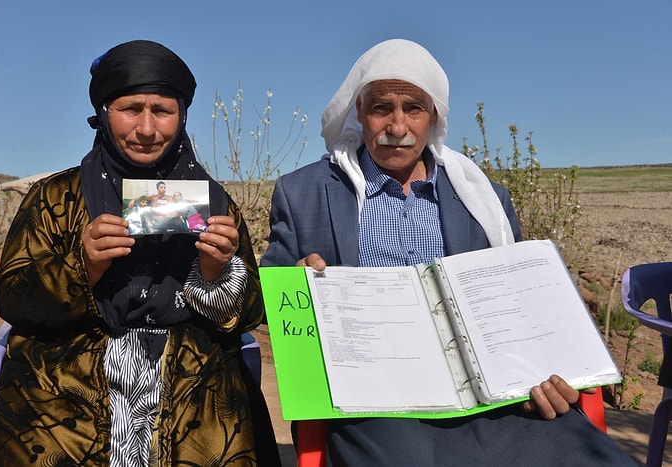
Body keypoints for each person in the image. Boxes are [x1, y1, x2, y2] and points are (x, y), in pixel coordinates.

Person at [260, 38, 635, 466]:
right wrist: (300, 281)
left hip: (491, 400)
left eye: (414, 109)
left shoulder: (483, 199)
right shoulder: (304, 192)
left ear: (434, 115)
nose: (397, 126)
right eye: (382, 107)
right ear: (359, 112)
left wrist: (545, 375)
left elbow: (520, 308)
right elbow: (271, 297)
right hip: (376, 403)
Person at [0, 40, 281, 466]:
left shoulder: (213, 201)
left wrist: (215, 274)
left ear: (183, 115)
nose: (147, 129)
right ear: (103, 112)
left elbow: (250, 315)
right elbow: (10, 295)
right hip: (64, 385)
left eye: (163, 110)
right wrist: (81, 267)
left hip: (194, 388)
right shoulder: (56, 197)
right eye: (130, 109)